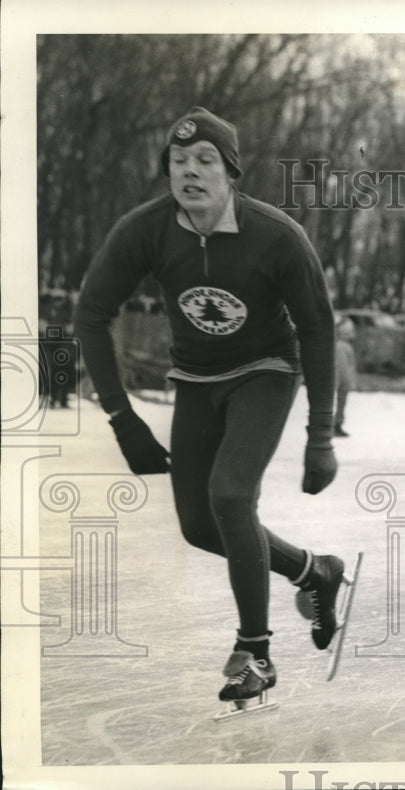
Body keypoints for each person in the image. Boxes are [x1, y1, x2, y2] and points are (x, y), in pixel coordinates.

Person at [74, 107, 346, 709]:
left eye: (205, 160)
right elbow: (91, 313)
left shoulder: (276, 236)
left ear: (231, 172)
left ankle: (256, 652)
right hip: (196, 378)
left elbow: (318, 329)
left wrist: (321, 434)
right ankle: (314, 571)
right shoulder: (145, 229)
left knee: (230, 496)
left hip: (266, 371)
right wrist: (123, 419)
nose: (190, 172)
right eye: (178, 161)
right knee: (199, 526)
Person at [333, 316, 357, 437]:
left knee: (341, 403)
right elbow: (343, 367)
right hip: (342, 381)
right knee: (340, 403)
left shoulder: (343, 345)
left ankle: (337, 423)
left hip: (343, 380)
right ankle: (336, 425)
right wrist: (345, 381)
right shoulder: (341, 346)